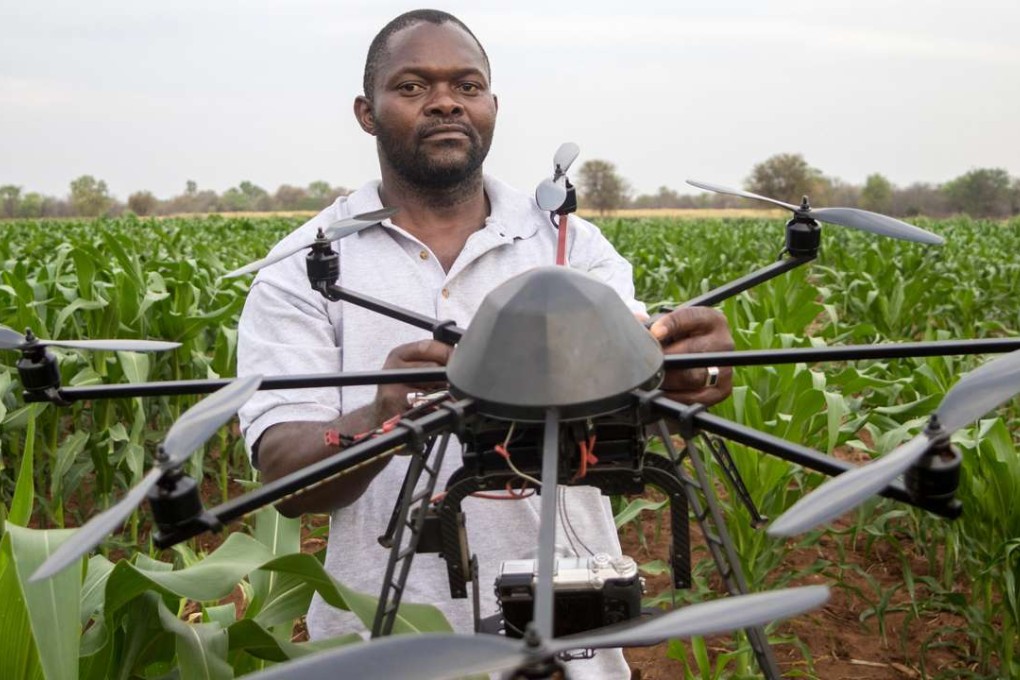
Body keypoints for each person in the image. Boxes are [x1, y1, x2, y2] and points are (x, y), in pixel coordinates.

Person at [237, 9, 733, 678]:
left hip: (569, 637)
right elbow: (282, 477)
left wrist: (682, 368)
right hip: (379, 640)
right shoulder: (304, 264)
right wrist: (379, 414)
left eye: (467, 86)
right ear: (366, 111)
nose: (445, 101)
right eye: (412, 87)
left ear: (492, 105)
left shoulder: (567, 245)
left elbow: (641, 373)